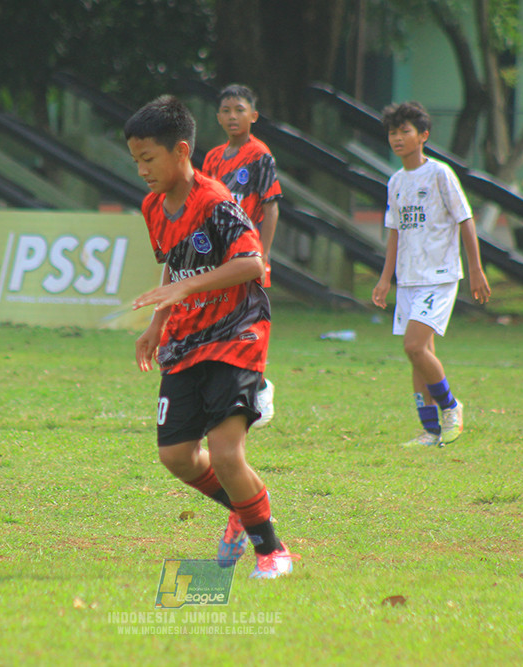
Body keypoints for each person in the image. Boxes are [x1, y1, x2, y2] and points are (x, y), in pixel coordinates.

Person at [125, 95, 296, 579]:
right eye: (136, 160)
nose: (142, 170)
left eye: (149, 159)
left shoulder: (216, 202)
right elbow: (174, 265)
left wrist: (185, 286)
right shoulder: (153, 206)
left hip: (237, 331)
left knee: (225, 453)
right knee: (176, 455)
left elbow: (252, 263)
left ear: (181, 151)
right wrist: (157, 323)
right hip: (185, 335)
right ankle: (245, 508)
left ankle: (272, 551)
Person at [372, 101, 490, 447]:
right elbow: (394, 232)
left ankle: (452, 407)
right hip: (409, 278)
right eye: (393, 132)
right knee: (419, 354)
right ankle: (431, 431)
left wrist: (475, 270)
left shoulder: (440, 174)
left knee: (413, 347)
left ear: (423, 136)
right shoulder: (395, 181)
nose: (398, 138)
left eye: (405, 131)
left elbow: (465, 221)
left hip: (438, 276)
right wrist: (385, 278)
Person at [201, 84, 283, 429]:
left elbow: (271, 206)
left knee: (246, 323)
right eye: (226, 110)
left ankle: (260, 388)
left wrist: (261, 255)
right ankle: (231, 394)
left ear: (253, 115)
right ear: (218, 117)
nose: (232, 116)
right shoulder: (213, 158)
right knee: (216, 324)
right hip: (219, 256)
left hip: (246, 254)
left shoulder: (259, 154)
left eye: (239, 109)